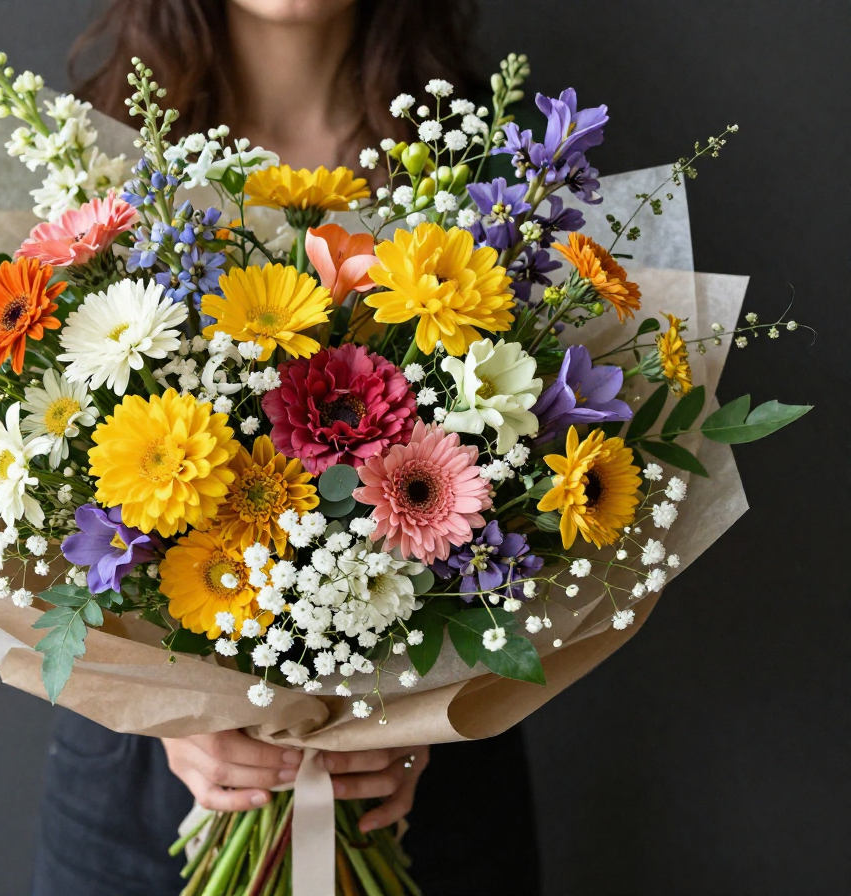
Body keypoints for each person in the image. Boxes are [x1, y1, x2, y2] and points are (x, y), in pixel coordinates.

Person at [33, 2, 541, 894]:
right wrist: (164, 706)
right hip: (142, 796)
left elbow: (537, 494)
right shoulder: (91, 164)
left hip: (428, 791)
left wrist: (432, 708)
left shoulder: (494, 169)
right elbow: (36, 494)